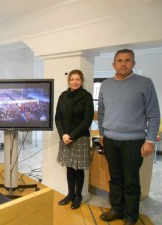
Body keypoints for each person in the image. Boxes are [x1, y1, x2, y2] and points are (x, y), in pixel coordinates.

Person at [98, 49, 160, 225]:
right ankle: (117, 209)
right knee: (116, 178)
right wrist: (102, 133)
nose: (123, 64)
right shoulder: (105, 85)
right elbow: (102, 112)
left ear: (133, 63)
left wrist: (149, 140)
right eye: (119, 60)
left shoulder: (145, 83)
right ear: (113, 64)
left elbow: (154, 114)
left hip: (133, 142)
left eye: (127, 60)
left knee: (131, 181)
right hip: (110, 140)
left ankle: (131, 216)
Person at [55, 69, 94, 209]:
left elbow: (87, 120)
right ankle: (70, 194)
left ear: (82, 81)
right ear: (68, 81)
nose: (75, 82)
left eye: (77, 79)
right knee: (69, 168)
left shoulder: (87, 96)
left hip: (80, 137)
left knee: (78, 169)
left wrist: (71, 136)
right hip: (64, 137)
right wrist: (63, 135)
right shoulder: (63, 96)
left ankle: (78, 196)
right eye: (72, 79)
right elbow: (58, 117)